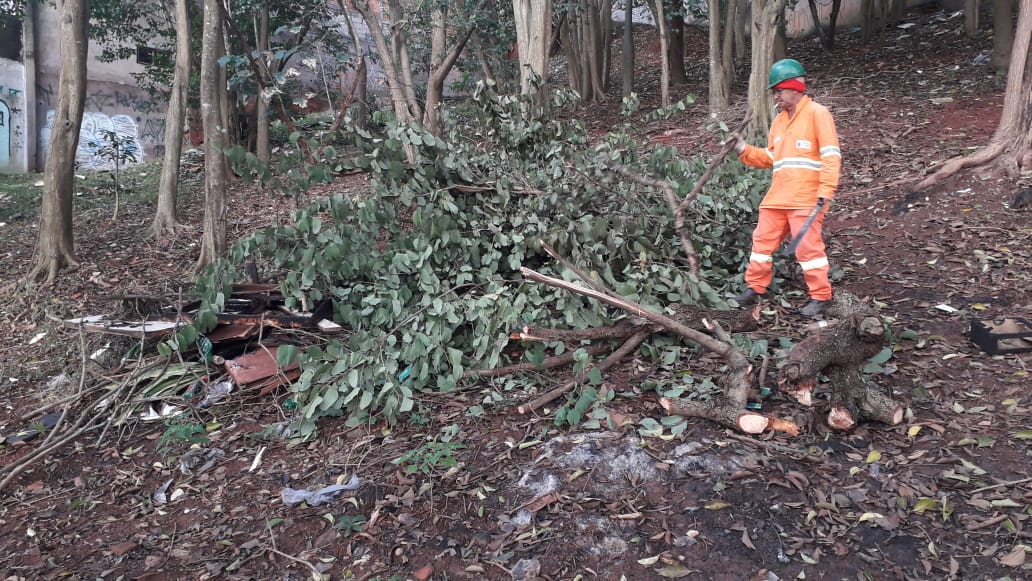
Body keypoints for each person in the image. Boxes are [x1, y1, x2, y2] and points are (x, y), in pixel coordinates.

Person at [727, 58, 841, 318]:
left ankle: (821, 296)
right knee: (761, 243)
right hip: (778, 196)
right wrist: (743, 149)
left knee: (808, 249)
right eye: (775, 92)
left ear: (794, 87)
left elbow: (831, 155)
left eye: (778, 90)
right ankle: (755, 287)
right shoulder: (778, 121)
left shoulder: (818, 114)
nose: (775, 96)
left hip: (806, 197)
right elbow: (771, 157)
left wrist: (826, 190)